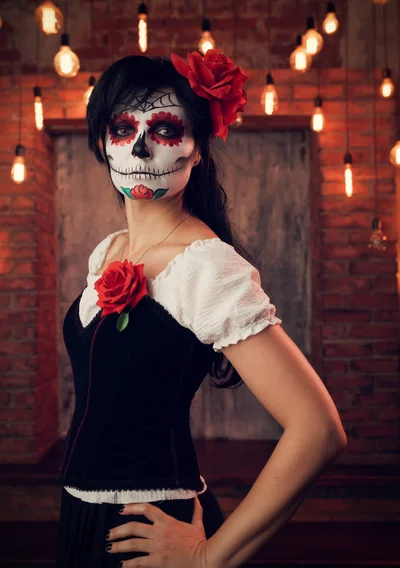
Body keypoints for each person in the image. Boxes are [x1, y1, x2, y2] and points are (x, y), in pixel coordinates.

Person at [56, 49, 347, 568]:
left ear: (197, 152)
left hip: (145, 529)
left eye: (166, 129)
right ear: (102, 142)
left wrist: (209, 557)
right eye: (122, 128)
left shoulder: (206, 267)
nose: (140, 146)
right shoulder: (110, 250)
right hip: (79, 515)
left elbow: (318, 428)